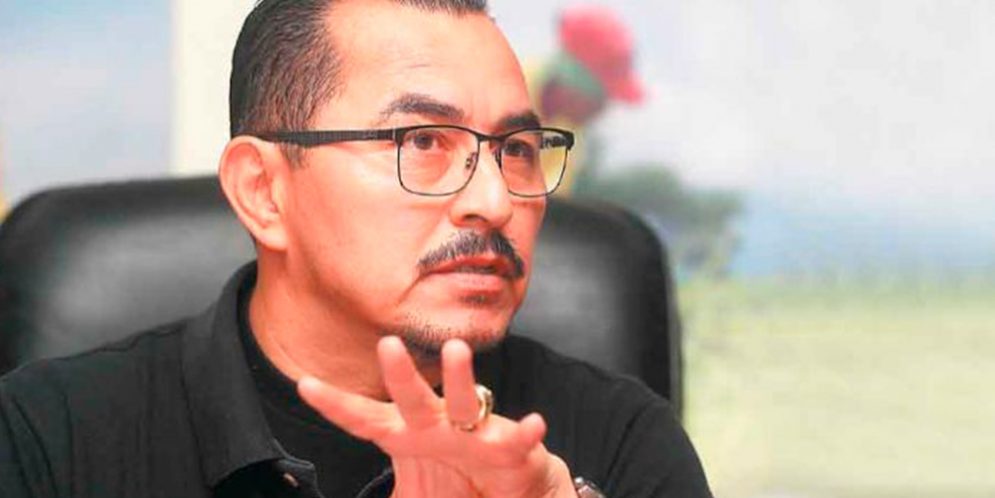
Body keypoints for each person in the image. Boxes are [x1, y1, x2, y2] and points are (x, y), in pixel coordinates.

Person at [0, 1, 712, 497]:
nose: (495, 202)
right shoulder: (45, 438)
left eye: (519, 149)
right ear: (263, 191)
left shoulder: (620, 439)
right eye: (422, 142)